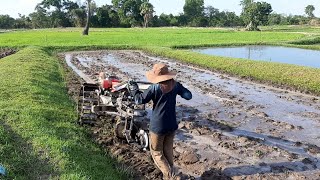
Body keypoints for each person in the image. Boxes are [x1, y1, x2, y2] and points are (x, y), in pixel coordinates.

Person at [128, 63, 192, 180]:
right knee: (168, 152)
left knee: (157, 152)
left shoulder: (154, 88)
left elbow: (139, 100)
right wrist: (179, 87)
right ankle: (169, 175)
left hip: (158, 126)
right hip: (172, 125)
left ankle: (171, 177)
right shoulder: (175, 85)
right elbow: (188, 96)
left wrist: (134, 89)